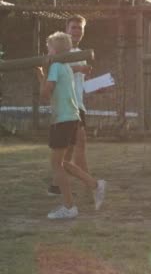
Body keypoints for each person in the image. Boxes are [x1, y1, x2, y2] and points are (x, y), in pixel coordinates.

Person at [35, 32, 106, 219]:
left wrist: (40, 75)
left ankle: (69, 207)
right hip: (71, 118)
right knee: (64, 163)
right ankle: (96, 185)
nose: (47, 51)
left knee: (56, 164)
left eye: (49, 48)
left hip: (64, 119)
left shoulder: (56, 66)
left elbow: (45, 94)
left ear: (55, 50)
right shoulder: (65, 65)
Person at [47, 15, 93, 196]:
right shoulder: (60, 53)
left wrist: (95, 84)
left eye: (80, 28)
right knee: (79, 146)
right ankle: (92, 187)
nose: (76, 31)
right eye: (73, 27)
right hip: (69, 107)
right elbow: (60, 71)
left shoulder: (81, 53)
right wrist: (79, 69)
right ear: (66, 29)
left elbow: (80, 83)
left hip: (78, 103)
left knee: (69, 149)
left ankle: (55, 185)